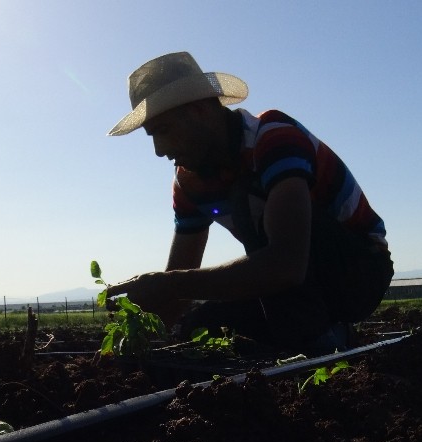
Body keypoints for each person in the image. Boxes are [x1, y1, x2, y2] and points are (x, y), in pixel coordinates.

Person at [105, 52, 392, 355]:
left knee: (247, 209)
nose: (159, 150)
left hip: (358, 269)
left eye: (164, 130)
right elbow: (180, 276)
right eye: (152, 135)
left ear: (200, 109)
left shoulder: (274, 137)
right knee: (201, 329)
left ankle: (326, 347)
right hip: (286, 278)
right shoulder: (189, 181)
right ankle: (299, 342)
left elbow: (286, 265)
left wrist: (168, 285)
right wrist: (133, 342)